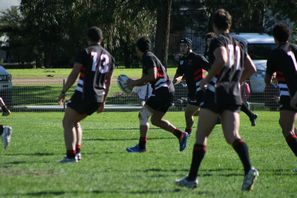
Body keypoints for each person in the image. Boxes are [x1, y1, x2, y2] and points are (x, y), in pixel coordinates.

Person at [175, 9, 258, 191]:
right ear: (230, 24)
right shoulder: (239, 44)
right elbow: (251, 68)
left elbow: (221, 60)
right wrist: (236, 82)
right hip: (233, 94)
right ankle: (249, 169)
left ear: (214, 25)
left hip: (216, 92)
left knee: (201, 135)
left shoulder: (217, 41)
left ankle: (192, 178)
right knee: (232, 137)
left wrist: (206, 80)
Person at [58, 26, 115, 163]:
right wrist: (103, 101)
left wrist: (63, 92)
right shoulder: (110, 57)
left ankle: (70, 155)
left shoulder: (85, 52)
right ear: (101, 39)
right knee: (75, 121)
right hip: (98, 96)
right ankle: (77, 152)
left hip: (84, 93)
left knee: (67, 121)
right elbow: (108, 81)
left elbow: (73, 75)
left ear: (88, 38)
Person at [126, 36, 189, 153]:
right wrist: (134, 84)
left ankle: (141, 146)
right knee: (155, 120)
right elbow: (146, 79)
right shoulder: (149, 57)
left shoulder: (147, 57)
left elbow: (152, 76)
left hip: (162, 90)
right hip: (168, 91)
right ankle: (180, 135)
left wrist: (133, 83)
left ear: (138, 48)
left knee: (143, 115)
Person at [265, 23, 297, 170]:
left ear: (275, 38)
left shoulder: (276, 53)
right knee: (291, 128)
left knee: (286, 129)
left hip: (290, 93)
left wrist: (272, 78)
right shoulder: (295, 48)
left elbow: (267, 79)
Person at [173, 38, 209, 135]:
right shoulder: (182, 60)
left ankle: (187, 133)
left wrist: (208, 82)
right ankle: (213, 115)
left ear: (189, 47)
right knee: (194, 112)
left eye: (184, 46)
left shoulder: (197, 57)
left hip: (199, 90)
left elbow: (211, 68)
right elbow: (179, 73)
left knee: (188, 113)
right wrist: (176, 80)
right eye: (181, 46)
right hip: (191, 91)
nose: (182, 48)